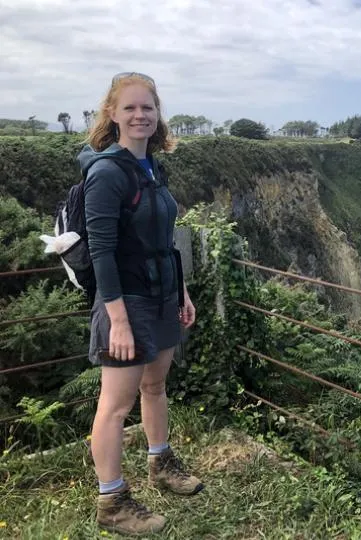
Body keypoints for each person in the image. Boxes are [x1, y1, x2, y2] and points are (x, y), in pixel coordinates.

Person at [80, 72, 202, 536]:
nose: (140, 115)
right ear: (112, 113)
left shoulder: (152, 167)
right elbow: (102, 252)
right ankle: (112, 501)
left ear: (157, 114)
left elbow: (164, 239)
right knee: (114, 405)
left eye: (147, 107)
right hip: (125, 301)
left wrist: (182, 291)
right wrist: (118, 321)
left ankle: (160, 463)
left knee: (155, 387)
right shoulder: (107, 173)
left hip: (163, 293)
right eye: (129, 107)